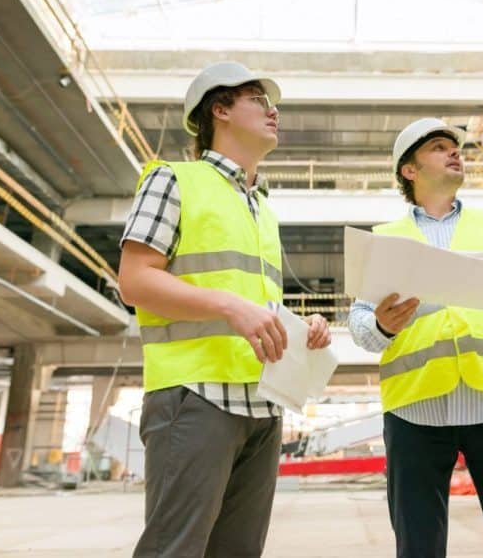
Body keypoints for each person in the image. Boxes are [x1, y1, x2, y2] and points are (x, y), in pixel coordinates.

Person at [118, 61, 331, 557]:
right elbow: (134, 280)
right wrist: (231, 307)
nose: (273, 110)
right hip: (195, 398)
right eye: (258, 99)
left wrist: (304, 330)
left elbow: (258, 307)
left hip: (262, 402)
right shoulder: (174, 180)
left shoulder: (263, 209)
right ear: (220, 109)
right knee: (175, 549)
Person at [348, 118, 483, 558]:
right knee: (419, 549)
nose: (455, 152)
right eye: (440, 147)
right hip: (415, 413)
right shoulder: (385, 240)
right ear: (409, 170)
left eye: (456, 147)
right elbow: (360, 328)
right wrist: (383, 325)